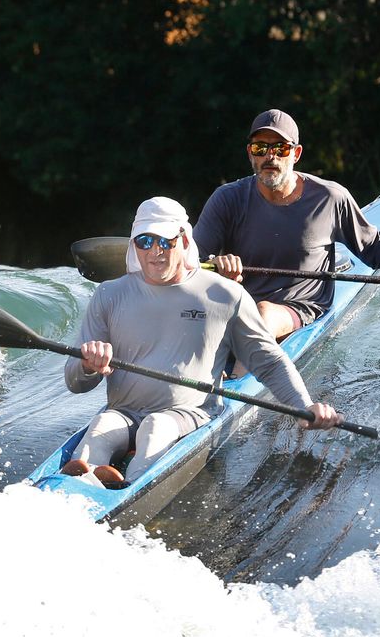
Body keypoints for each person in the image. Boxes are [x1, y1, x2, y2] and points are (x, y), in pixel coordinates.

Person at [61, 196, 342, 487]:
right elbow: (75, 383)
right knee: (102, 425)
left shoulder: (224, 295)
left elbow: (268, 362)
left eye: (164, 241)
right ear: (133, 245)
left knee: (156, 427)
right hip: (123, 412)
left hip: (190, 413)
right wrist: (87, 365)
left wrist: (304, 405)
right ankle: (81, 484)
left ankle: (126, 489)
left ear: (184, 240)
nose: (154, 251)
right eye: (145, 241)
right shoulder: (109, 294)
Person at [194, 108, 380, 339]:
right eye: (260, 148)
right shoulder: (227, 199)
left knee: (259, 316)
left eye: (280, 148)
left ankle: (233, 391)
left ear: (296, 154)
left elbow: (373, 246)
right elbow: (191, 261)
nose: (269, 157)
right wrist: (214, 266)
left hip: (298, 308)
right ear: (250, 154)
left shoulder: (330, 198)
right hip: (237, 307)